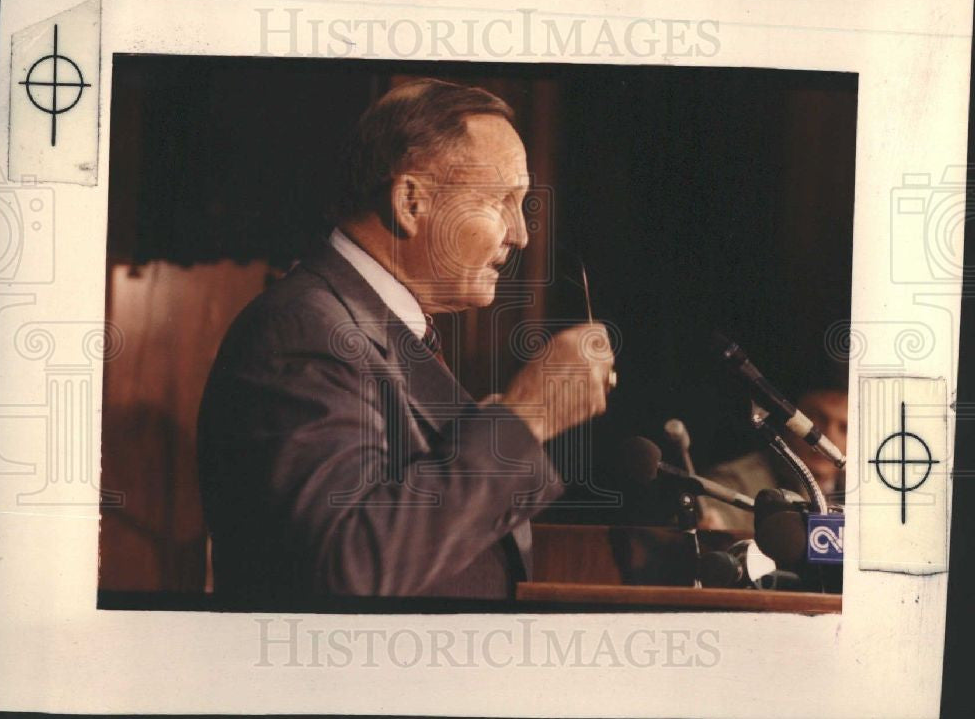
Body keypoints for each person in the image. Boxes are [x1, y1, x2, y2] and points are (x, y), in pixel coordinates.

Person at [197, 78, 614, 602]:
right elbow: (348, 566)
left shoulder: (373, 326)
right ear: (411, 201)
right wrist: (526, 416)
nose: (520, 234)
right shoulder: (302, 332)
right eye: (500, 201)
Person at [699, 387, 848, 531]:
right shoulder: (737, 481)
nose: (829, 436)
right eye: (818, 420)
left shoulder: (859, 492)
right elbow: (713, 519)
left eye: (844, 428)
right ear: (790, 423)